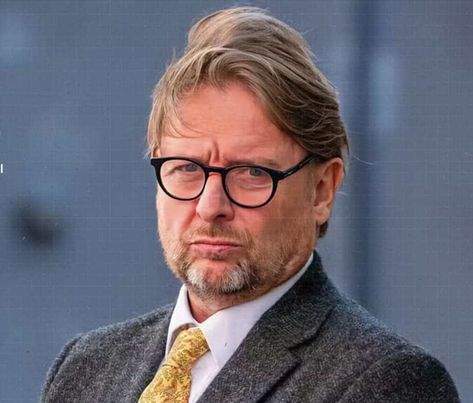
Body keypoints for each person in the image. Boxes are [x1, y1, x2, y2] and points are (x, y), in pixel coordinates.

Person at [41, 6, 460, 403]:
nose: (210, 206)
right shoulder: (85, 368)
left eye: (251, 173)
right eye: (186, 168)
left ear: (321, 190)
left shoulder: (388, 381)